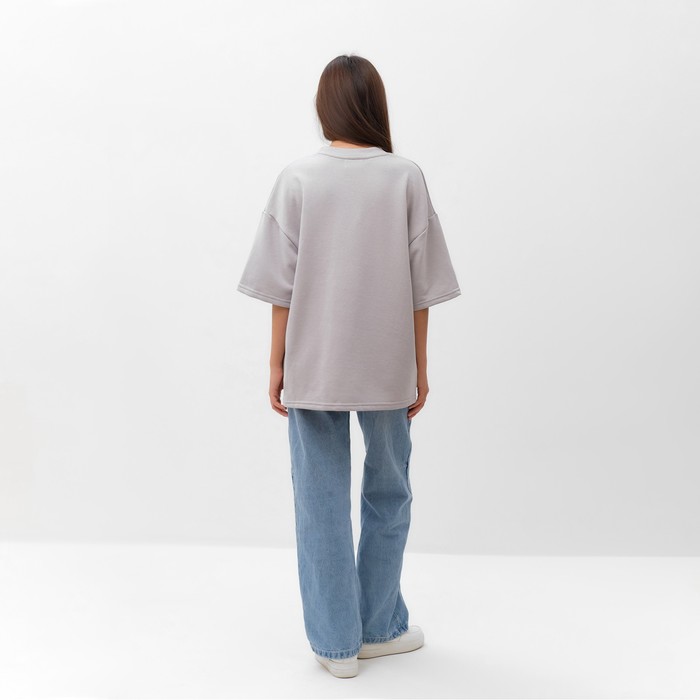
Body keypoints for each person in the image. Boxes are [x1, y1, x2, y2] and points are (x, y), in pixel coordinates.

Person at [237, 54, 461, 678]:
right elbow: (421, 289)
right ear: (375, 105)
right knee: (389, 492)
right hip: (387, 365)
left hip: (314, 363)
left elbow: (280, 286)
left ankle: (336, 645)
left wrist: (276, 363)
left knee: (319, 499)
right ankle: (378, 627)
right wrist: (419, 367)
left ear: (325, 107)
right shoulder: (405, 177)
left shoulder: (297, 178)